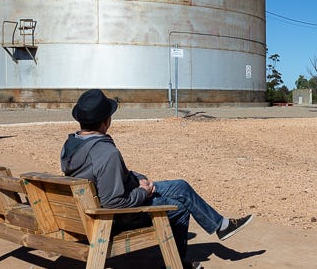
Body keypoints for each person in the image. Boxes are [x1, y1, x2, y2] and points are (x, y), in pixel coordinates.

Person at [61, 89, 253, 268]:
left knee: (180, 186)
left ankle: (221, 225)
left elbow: (102, 175)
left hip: (87, 208)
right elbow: (113, 202)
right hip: (111, 217)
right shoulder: (106, 152)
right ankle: (176, 263)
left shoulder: (72, 145)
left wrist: (137, 178)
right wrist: (143, 192)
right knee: (179, 208)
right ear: (106, 121)